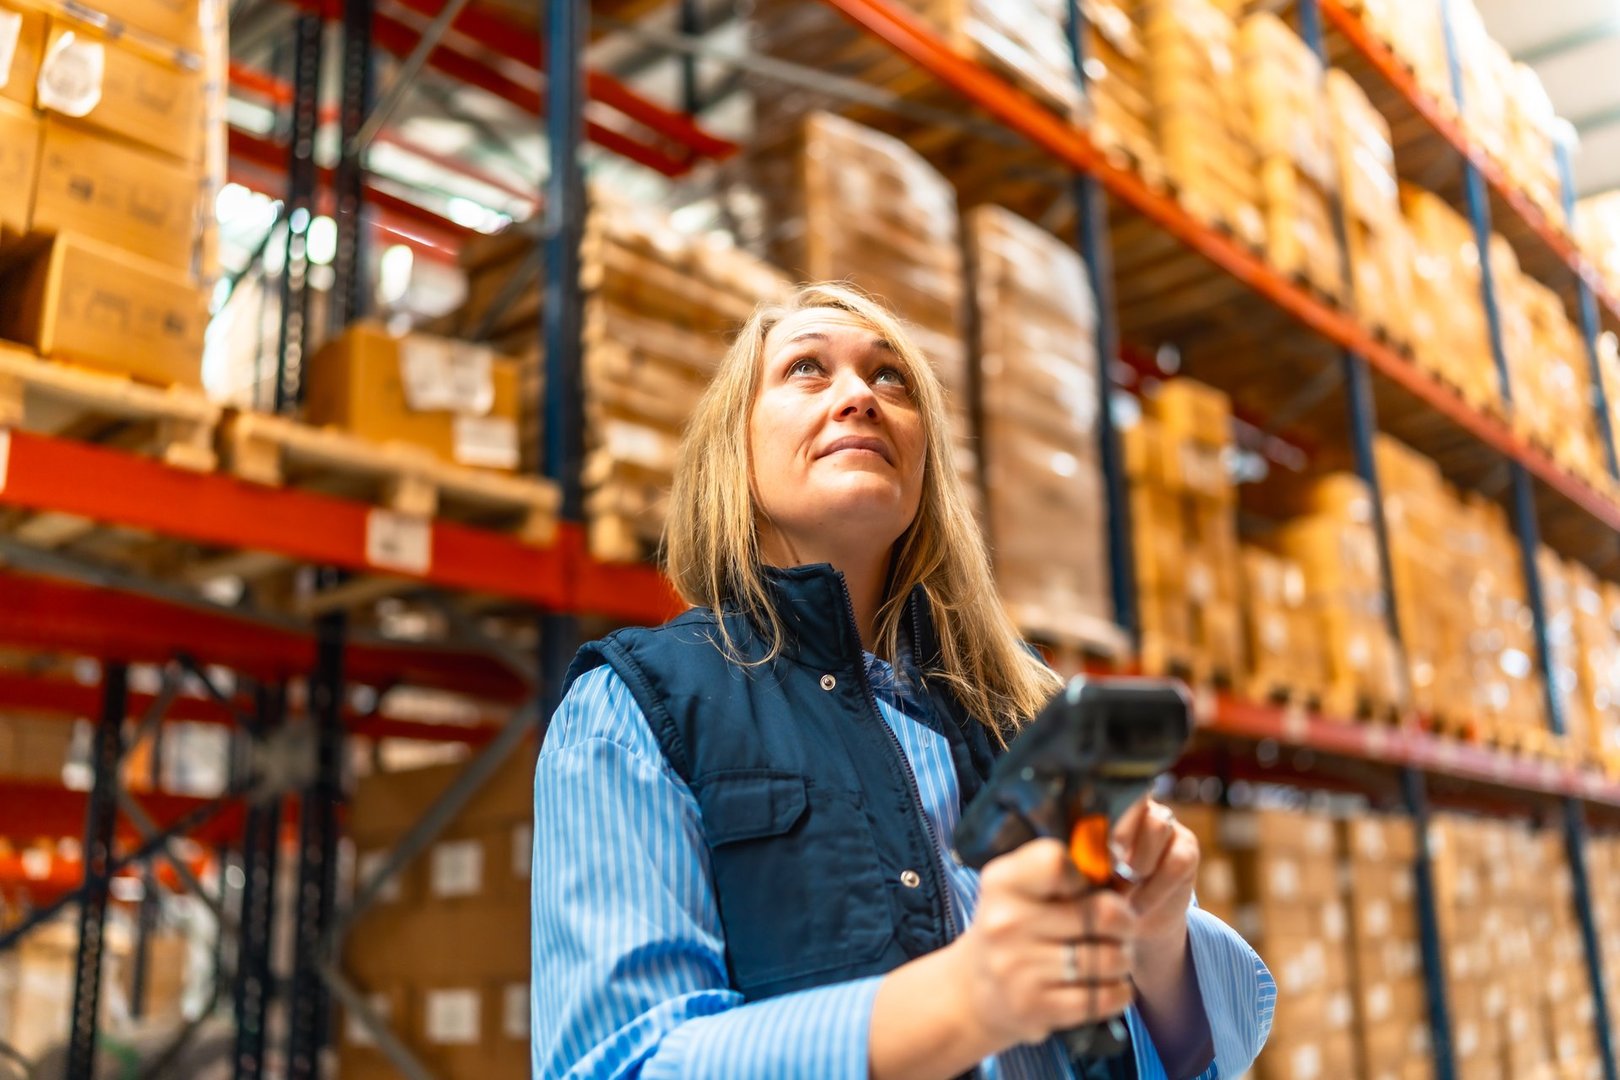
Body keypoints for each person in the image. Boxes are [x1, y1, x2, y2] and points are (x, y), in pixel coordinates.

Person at [532, 283, 1275, 1079]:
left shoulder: (1016, 714)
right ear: (734, 450)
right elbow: (616, 1062)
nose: (860, 396)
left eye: (892, 379)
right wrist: (964, 1000)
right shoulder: (632, 710)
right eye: (807, 370)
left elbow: (1199, 1049)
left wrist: (1157, 943)